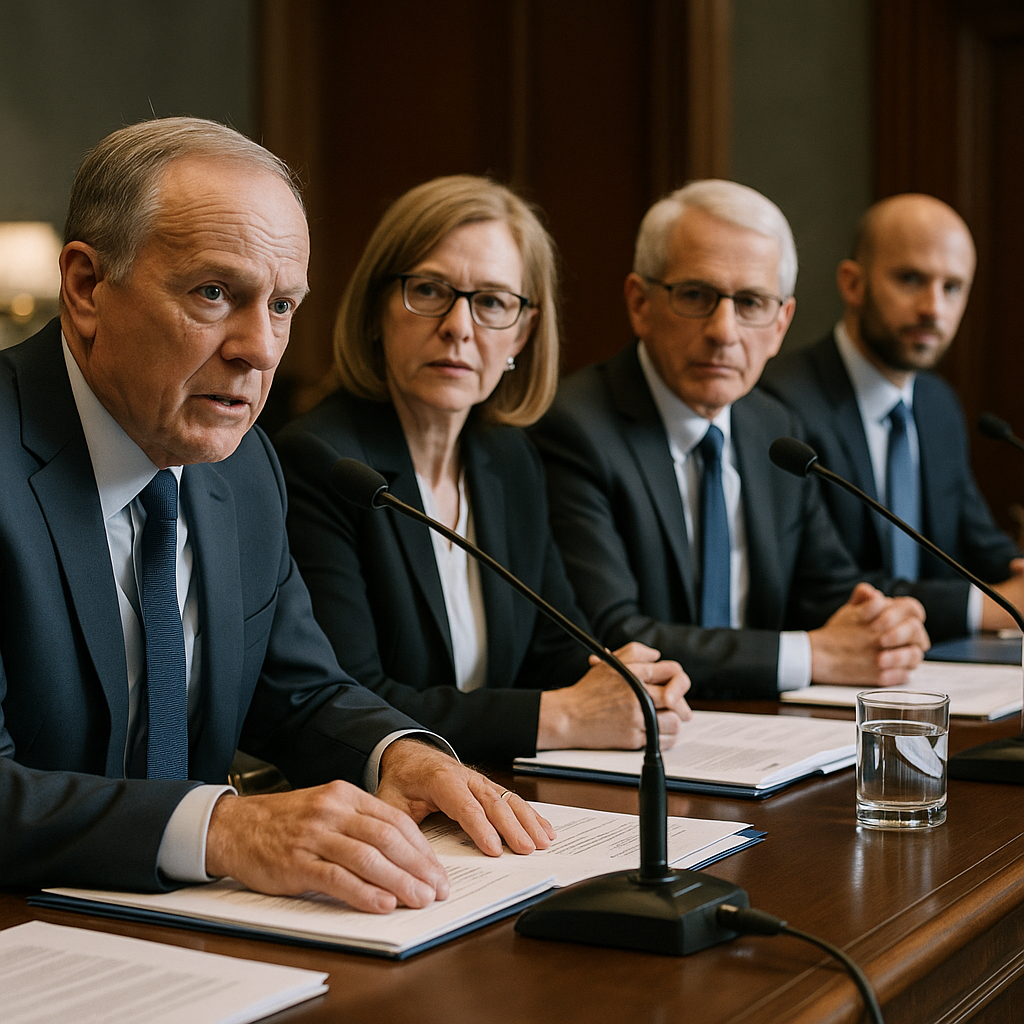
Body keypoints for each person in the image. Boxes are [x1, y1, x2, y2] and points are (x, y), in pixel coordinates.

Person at [0, 118, 555, 910]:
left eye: (284, 304)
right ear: (88, 287)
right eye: (214, 293)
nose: (260, 348)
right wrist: (225, 830)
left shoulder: (246, 467)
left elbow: (298, 690)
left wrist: (398, 753)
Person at [274, 175, 691, 764]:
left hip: (500, 788)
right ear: (376, 308)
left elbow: (555, 644)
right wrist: (565, 716)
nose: (459, 327)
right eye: (429, 290)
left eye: (492, 302)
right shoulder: (323, 463)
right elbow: (352, 701)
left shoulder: (508, 460)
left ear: (521, 332)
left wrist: (629, 682)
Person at [531, 179, 934, 700]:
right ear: (639, 303)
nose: (724, 330)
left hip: (767, 740)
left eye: (751, 302)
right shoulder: (575, 428)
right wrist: (813, 655)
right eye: (696, 296)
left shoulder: (775, 429)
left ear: (781, 323)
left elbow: (829, 591)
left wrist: (883, 626)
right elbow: (612, 636)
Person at [761, 193, 1023, 631]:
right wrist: (983, 608)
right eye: (910, 279)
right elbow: (816, 587)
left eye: (952, 288)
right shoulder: (781, 407)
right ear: (852, 283)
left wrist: (1016, 570)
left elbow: (979, 544)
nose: (933, 308)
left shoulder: (938, 403)